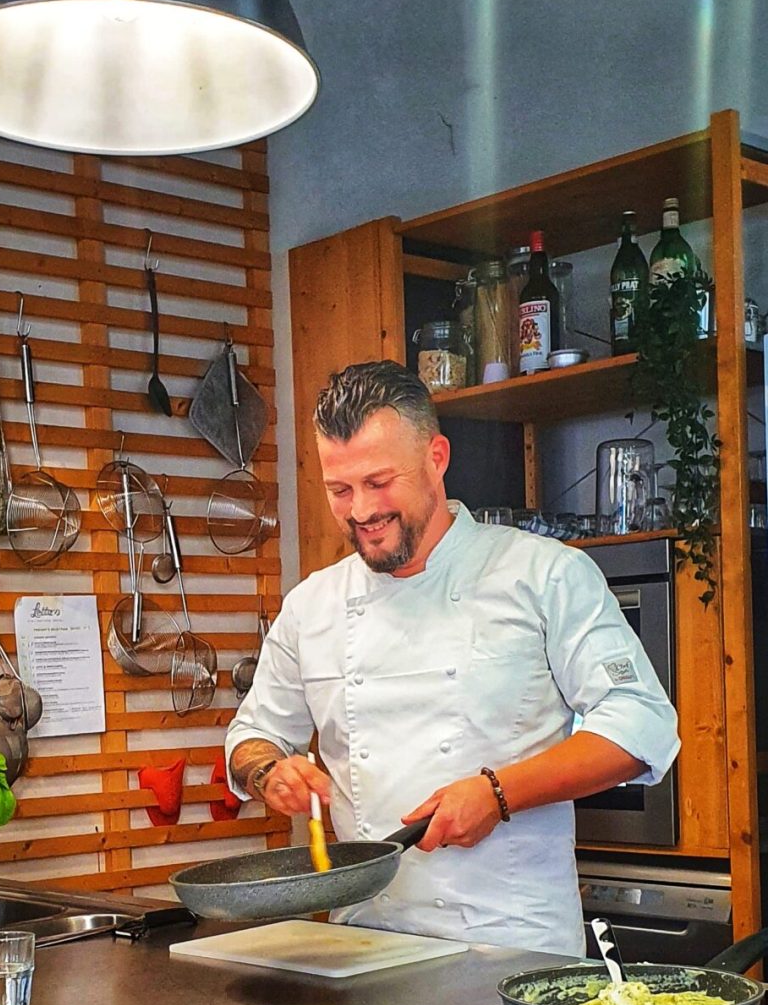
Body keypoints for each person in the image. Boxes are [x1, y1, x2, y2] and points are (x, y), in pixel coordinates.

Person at [226, 361, 679, 955]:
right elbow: (251, 736)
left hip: (511, 950)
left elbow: (640, 727)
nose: (360, 511)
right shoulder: (314, 605)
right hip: (366, 944)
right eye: (340, 490)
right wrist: (267, 772)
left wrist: (499, 792)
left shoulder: (543, 575)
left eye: (380, 482)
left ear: (436, 457)